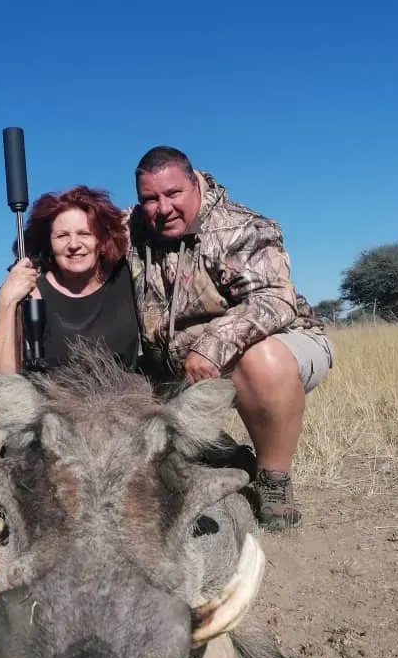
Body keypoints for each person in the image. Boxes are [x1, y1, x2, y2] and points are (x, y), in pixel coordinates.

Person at [126, 146, 333, 532]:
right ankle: (227, 456)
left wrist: (212, 345)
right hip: (179, 366)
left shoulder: (240, 226)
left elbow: (274, 299)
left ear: (195, 183)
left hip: (279, 344)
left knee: (260, 361)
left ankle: (273, 480)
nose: (163, 208)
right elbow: (81, 232)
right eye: (150, 199)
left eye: (173, 193)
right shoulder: (134, 228)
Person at [0, 184, 140, 374]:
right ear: (49, 243)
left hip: (126, 390)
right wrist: (6, 301)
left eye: (84, 233)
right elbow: (4, 376)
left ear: (101, 240)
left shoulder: (128, 273)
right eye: (62, 236)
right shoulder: (31, 291)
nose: (74, 245)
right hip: (55, 393)